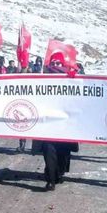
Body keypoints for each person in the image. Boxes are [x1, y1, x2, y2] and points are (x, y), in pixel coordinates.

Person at [32, 52, 79, 191]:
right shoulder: (43, 79)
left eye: (58, 63)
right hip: (48, 123)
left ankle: (58, 173)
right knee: (48, 149)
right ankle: (50, 179)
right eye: (53, 63)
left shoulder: (71, 79)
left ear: (63, 64)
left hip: (65, 123)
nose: (55, 66)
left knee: (63, 152)